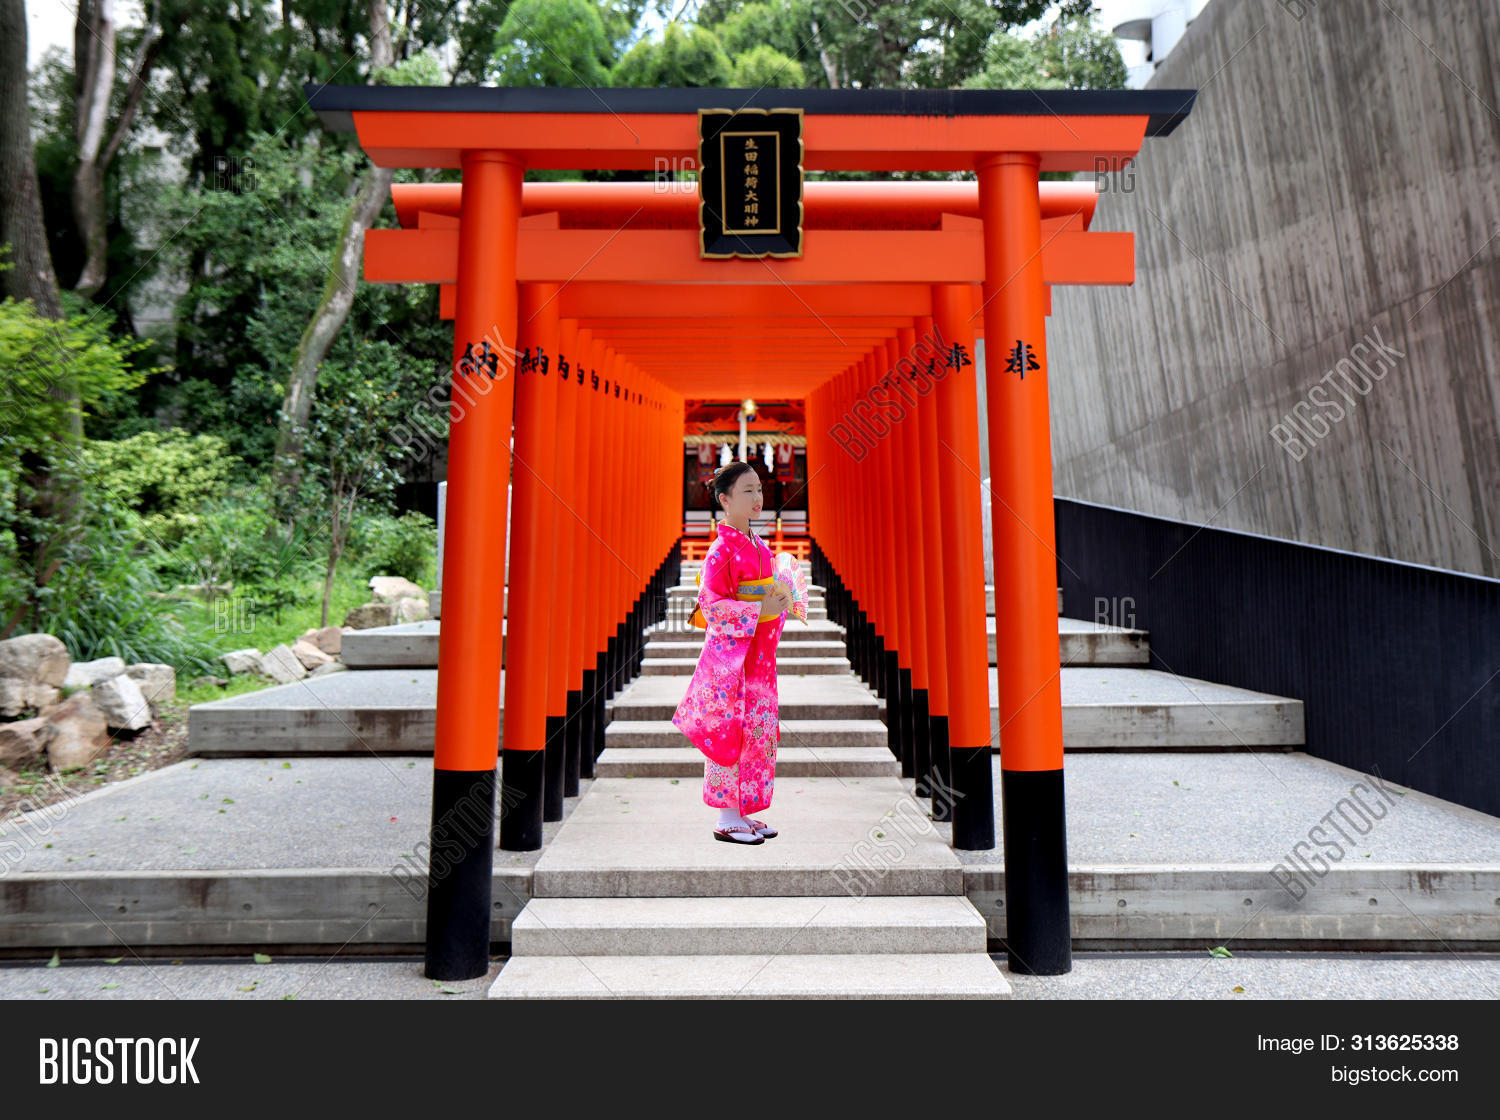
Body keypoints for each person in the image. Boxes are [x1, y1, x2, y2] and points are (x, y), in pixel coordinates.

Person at [671, 461, 792, 845]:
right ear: (724, 499)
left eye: (759, 489)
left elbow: (771, 597)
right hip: (730, 662)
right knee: (729, 732)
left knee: (757, 732)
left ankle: (745, 810)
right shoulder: (721, 549)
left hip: (757, 659)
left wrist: (783, 601)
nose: (758, 498)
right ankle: (726, 816)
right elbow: (710, 605)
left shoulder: (760, 546)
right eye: (747, 491)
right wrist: (759, 610)